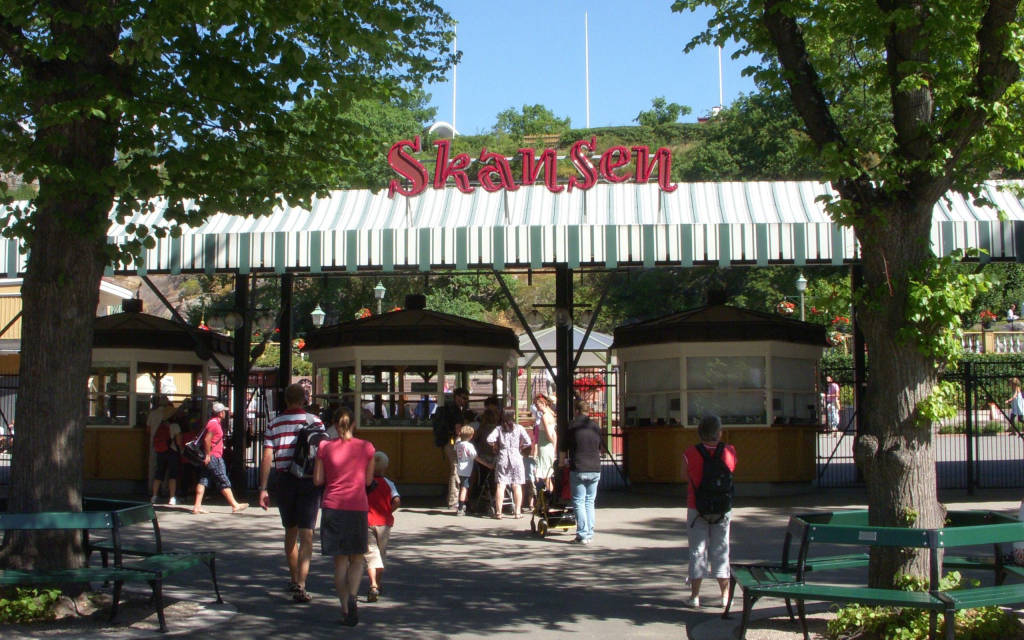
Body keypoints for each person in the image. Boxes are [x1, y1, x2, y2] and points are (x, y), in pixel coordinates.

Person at [258, 382, 325, 603]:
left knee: (290, 531)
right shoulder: (315, 422)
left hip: (285, 480)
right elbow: (323, 453)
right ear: (304, 399)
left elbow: (267, 456)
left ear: (285, 400)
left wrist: (263, 488)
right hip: (309, 481)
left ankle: (294, 577)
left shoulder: (274, 424)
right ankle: (302, 583)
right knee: (307, 534)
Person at [314, 406, 375, 627]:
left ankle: (345, 608)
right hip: (357, 506)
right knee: (357, 558)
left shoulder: (324, 447)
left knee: (340, 562)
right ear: (354, 424)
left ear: (334, 424)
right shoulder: (367, 447)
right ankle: (354, 595)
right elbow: (368, 481)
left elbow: (318, 480)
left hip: (333, 506)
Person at [682, 415, 736, 609]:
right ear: (719, 432)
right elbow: (731, 472)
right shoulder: (729, 451)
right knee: (721, 549)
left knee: (697, 551)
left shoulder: (690, 453)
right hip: (722, 507)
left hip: (697, 506)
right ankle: (725, 596)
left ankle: (695, 596)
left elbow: (685, 475)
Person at [192, 401, 248, 515]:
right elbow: (207, 440)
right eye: (223, 411)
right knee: (222, 479)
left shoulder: (212, 422)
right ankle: (234, 505)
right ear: (220, 413)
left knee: (203, 479)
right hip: (214, 456)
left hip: (211, 456)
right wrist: (208, 455)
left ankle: (197, 506)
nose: (225, 413)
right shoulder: (214, 424)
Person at [561, 397, 603, 545]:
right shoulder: (595, 426)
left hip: (579, 467)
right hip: (595, 467)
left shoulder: (572, 426)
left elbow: (563, 447)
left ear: (576, 410)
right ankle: (589, 533)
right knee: (590, 502)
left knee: (579, 501)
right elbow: (600, 447)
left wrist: (561, 462)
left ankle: (582, 534)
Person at [365, 451, 401, 602]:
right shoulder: (388, 483)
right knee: (381, 553)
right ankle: (378, 583)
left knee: (370, 553)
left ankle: (373, 584)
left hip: (367, 521)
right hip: (384, 523)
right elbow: (397, 501)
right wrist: (388, 511)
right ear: (385, 467)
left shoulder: (365, 482)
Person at [486, 408, 532, 519]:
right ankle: (517, 512)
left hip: (503, 457)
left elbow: (489, 439)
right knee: (517, 485)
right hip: (516, 456)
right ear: (513, 416)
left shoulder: (499, 429)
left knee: (501, 485)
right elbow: (528, 441)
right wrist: (520, 447)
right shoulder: (519, 428)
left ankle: (498, 512)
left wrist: (495, 445)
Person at [433, 387, 469, 509]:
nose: (465, 400)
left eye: (466, 399)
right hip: (453, 441)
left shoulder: (446, 408)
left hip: (445, 441)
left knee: (454, 468)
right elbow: (458, 431)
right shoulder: (457, 411)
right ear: (456, 397)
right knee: (455, 468)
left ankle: (453, 498)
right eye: (463, 398)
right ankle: (453, 499)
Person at [150, 400, 183, 505]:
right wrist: (181, 450)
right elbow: (178, 441)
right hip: (172, 451)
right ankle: (172, 498)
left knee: (159, 473)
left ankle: (154, 496)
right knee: (172, 475)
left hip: (160, 451)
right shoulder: (175, 426)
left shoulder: (161, 425)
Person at [534, 393, 557, 493]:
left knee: (545, 475)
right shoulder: (552, 414)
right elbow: (554, 434)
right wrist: (554, 446)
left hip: (544, 446)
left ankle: (550, 493)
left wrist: (550, 441)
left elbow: (548, 434)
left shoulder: (544, 416)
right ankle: (551, 493)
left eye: (537, 405)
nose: (536, 407)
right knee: (548, 473)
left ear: (543, 403)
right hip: (550, 447)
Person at [454, 424, 477, 515]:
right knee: (464, 488)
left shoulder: (458, 444)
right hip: (466, 469)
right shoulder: (469, 445)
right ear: (471, 436)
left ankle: (466, 505)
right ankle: (460, 508)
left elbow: (456, 443)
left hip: (460, 467)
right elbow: (474, 455)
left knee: (463, 486)